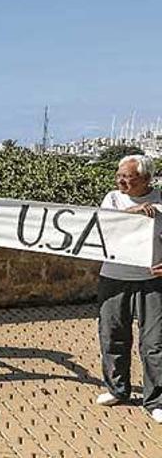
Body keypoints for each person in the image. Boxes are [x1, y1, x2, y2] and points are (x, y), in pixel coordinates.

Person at [95, 154, 162, 424]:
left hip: (152, 279)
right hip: (113, 276)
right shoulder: (112, 199)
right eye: (119, 176)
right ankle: (117, 389)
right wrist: (132, 213)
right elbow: (102, 226)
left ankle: (156, 399)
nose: (121, 181)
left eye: (127, 177)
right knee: (112, 334)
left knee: (154, 342)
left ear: (146, 179)